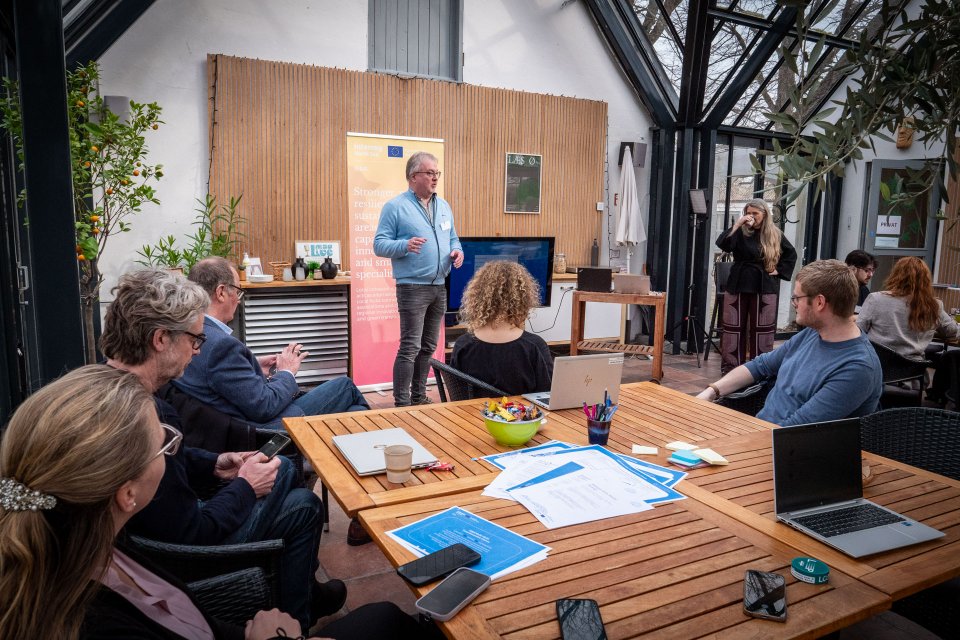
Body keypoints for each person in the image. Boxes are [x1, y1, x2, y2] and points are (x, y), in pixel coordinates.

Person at [0, 365, 435, 640]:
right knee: (388, 620)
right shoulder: (96, 619)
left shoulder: (89, 546)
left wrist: (211, 464)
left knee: (378, 609)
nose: (174, 449)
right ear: (127, 493)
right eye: (166, 444)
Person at [99, 268, 343, 630]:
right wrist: (246, 485)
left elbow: (173, 468)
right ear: (161, 339)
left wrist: (214, 462)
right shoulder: (149, 420)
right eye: (195, 339)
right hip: (185, 557)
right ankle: (291, 622)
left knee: (304, 505)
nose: (197, 351)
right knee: (283, 470)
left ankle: (298, 614)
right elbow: (195, 532)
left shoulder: (105, 387)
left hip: (153, 542)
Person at [176, 257, 369, 429]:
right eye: (237, 291)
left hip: (235, 421)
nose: (239, 300)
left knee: (353, 410)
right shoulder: (221, 345)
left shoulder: (190, 334)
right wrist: (287, 372)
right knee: (345, 387)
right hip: (267, 429)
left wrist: (253, 366)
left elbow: (223, 382)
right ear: (221, 293)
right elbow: (264, 406)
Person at [697, 259, 882, 426]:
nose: (794, 303)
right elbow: (760, 366)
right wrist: (712, 391)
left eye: (797, 298)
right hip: (762, 432)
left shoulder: (858, 368)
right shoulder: (812, 333)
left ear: (819, 302)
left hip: (787, 446)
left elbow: (796, 428)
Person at [374, 151, 464, 406]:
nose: (435, 178)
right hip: (412, 287)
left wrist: (457, 251)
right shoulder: (395, 207)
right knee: (410, 347)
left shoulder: (443, 206)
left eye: (437, 173)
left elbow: (454, 238)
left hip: (439, 286)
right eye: (430, 173)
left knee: (428, 347)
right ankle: (402, 403)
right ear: (413, 176)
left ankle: (419, 396)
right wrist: (404, 245)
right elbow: (379, 245)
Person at [716, 199, 797, 374]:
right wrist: (737, 224)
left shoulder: (775, 233)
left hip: (764, 284)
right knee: (733, 328)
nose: (751, 216)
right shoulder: (740, 231)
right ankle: (731, 369)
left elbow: (791, 254)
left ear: (764, 214)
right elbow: (722, 243)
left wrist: (778, 271)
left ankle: (760, 369)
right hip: (738, 282)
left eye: (755, 213)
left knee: (763, 330)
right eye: (748, 213)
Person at [450, 261, 553, 395]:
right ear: (523, 298)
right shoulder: (535, 346)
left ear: (477, 296)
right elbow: (548, 394)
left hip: (472, 409)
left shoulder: (462, 344)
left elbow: (457, 392)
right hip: (521, 409)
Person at [857, 257, 959, 361]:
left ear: (895, 275)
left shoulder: (876, 298)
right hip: (913, 367)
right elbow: (952, 331)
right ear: (926, 280)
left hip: (876, 363)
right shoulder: (934, 305)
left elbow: (858, 330)